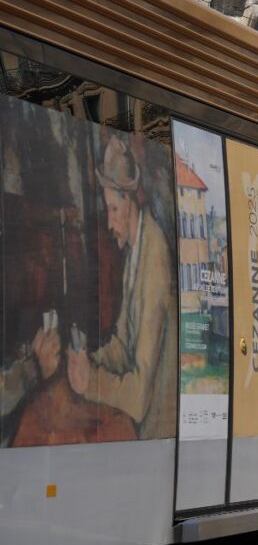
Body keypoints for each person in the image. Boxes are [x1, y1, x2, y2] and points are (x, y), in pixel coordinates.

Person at [66, 136, 177, 440]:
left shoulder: (154, 256)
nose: (110, 222)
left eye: (114, 210)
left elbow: (140, 397)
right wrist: (92, 360)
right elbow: (123, 342)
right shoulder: (136, 249)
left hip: (156, 432)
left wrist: (91, 382)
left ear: (129, 200)